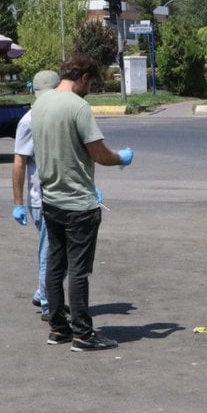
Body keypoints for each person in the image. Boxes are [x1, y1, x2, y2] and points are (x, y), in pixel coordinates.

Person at [31, 52, 134, 352]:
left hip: (50, 199)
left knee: (55, 264)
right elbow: (99, 154)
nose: (91, 89)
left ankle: (57, 329)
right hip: (78, 204)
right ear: (84, 78)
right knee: (78, 270)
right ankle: (82, 334)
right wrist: (121, 158)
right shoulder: (79, 107)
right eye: (92, 83)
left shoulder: (40, 104)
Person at [11, 70, 61, 322]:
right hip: (41, 198)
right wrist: (18, 203)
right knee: (50, 251)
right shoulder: (29, 121)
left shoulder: (56, 116)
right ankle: (47, 303)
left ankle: (43, 292)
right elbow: (19, 163)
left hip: (58, 195)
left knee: (54, 249)